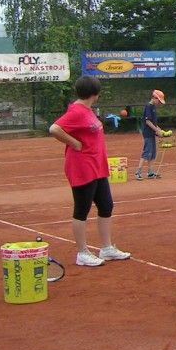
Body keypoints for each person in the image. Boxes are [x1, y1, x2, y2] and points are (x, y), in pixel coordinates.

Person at [49, 76, 131, 267]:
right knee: (82, 209)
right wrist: (74, 143)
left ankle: (107, 248)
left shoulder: (87, 110)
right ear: (96, 94)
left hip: (97, 166)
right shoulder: (77, 111)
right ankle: (82, 253)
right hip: (82, 167)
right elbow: (54, 128)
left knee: (106, 205)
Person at [135, 89, 166, 181]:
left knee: (152, 153)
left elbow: (153, 122)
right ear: (154, 98)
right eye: (159, 101)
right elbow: (148, 121)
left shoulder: (153, 107)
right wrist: (157, 130)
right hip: (148, 133)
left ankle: (150, 172)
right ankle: (138, 172)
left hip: (152, 133)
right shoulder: (149, 106)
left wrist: (159, 129)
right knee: (147, 152)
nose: (159, 103)